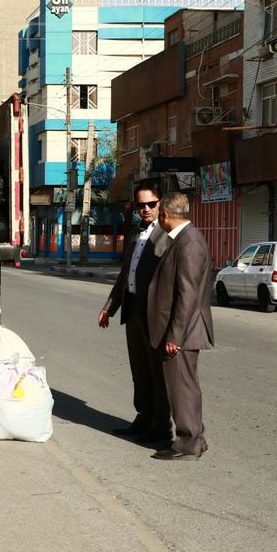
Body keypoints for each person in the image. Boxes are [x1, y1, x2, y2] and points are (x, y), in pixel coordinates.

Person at [97, 181, 171, 444]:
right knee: (139, 369)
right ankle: (144, 417)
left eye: (151, 204)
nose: (146, 209)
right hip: (133, 310)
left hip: (155, 314)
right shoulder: (135, 235)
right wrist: (109, 307)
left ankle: (162, 427)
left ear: (161, 204)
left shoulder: (168, 235)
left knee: (157, 372)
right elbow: (124, 276)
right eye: (141, 205)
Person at [146, 192, 214, 460]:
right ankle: (196, 438)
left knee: (182, 388)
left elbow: (187, 295)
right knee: (183, 386)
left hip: (183, 332)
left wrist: (175, 335)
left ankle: (188, 444)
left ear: (164, 215)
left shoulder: (189, 242)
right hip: (180, 330)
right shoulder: (182, 239)